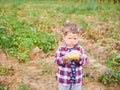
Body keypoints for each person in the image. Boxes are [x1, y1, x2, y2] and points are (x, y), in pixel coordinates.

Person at [55, 21, 87, 90]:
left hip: (76, 80)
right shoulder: (61, 49)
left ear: (78, 38)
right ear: (64, 37)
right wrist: (64, 58)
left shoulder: (79, 49)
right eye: (69, 38)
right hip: (63, 80)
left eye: (75, 38)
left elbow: (84, 61)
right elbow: (57, 61)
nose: (72, 41)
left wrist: (79, 58)